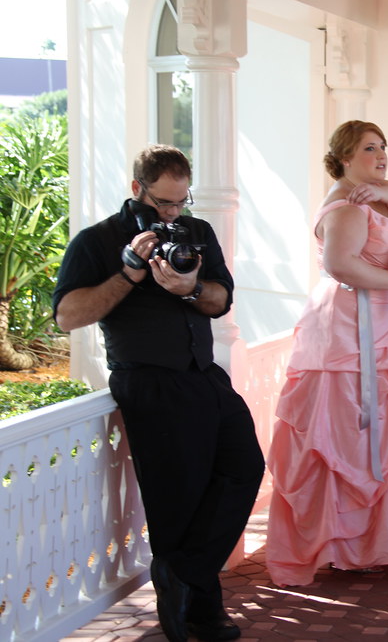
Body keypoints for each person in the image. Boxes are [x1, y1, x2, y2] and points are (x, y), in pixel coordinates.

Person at [53, 145, 265, 642]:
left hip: (204, 374)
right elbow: (68, 316)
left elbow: (221, 299)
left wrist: (189, 287)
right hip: (149, 381)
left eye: (180, 201)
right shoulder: (96, 241)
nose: (171, 213)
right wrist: (129, 272)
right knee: (178, 499)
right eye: (162, 203)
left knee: (245, 467)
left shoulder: (197, 232)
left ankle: (179, 573)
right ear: (137, 189)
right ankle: (200, 612)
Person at [266, 120, 388, 585]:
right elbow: (339, 264)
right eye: (370, 148)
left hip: (387, 323)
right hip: (353, 328)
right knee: (351, 430)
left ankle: (379, 537)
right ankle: (346, 542)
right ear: (345, 158)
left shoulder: (378, 194)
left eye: (383, 146)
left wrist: (383, 191)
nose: (381, 154)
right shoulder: (347, 206)